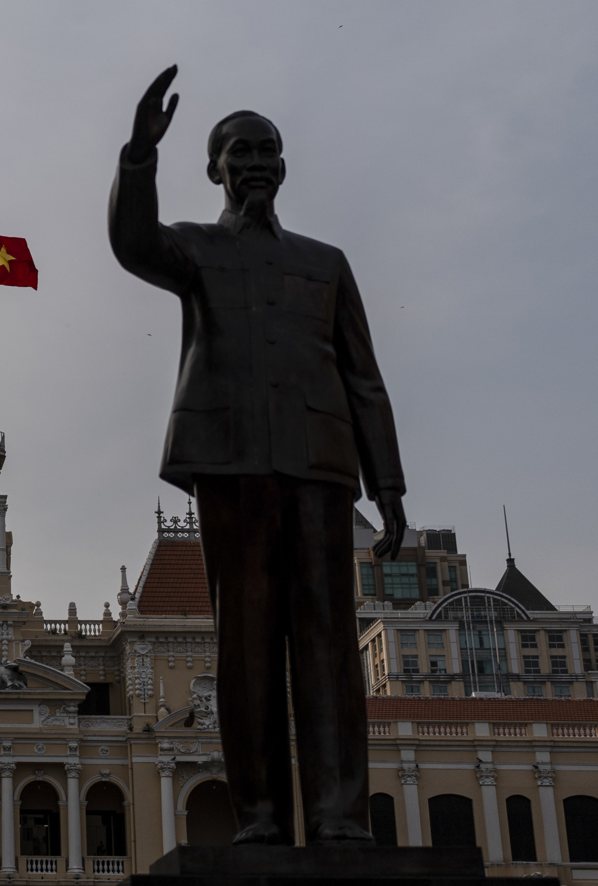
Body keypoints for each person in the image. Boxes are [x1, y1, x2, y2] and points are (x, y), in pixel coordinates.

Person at [108, 66, 407, 846]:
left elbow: (363, 376)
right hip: (232, 457)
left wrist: (392, 487)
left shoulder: (326, 262)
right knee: (244, 639)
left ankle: (341, 814)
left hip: (321, 461)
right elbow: (133, 242)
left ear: (283, 166)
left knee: (329, 641)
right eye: (241, 151)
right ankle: (262, 816)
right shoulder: (197, 250)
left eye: (268, 151)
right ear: (215, 168)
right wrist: (138, 155)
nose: (257, 164)